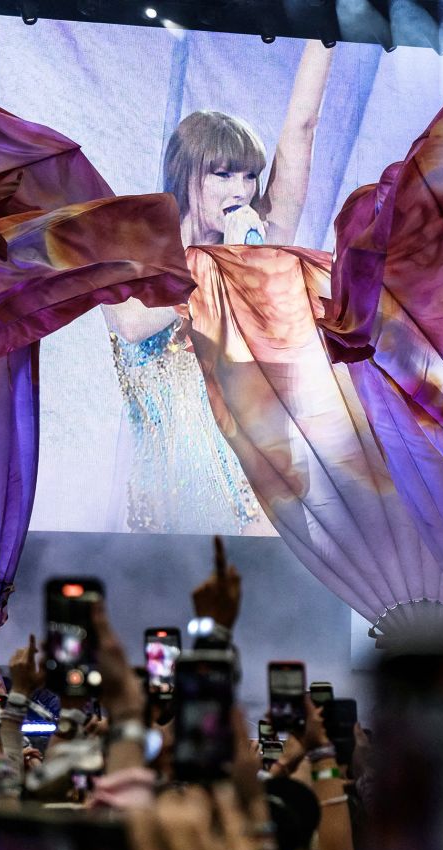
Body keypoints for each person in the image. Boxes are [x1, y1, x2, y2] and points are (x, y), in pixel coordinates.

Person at [102, 42, 334, 534]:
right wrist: (219, 264)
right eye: (223, 174)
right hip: (166, 505)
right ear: (187, 175)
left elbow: (299, 134)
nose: (241, 190)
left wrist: (326, 31)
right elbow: (131, 323)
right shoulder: (134, 250)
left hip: (253, 494)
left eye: (249, 176)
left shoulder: (253, 244)